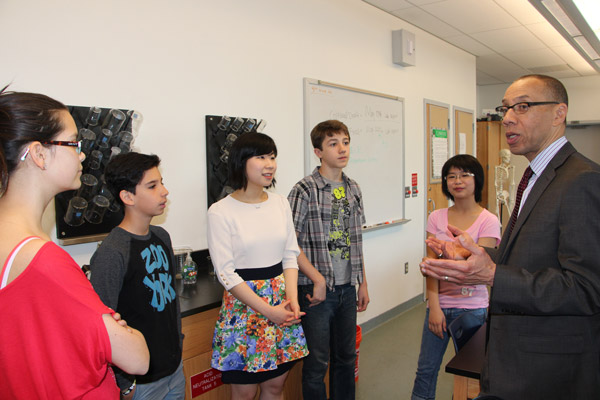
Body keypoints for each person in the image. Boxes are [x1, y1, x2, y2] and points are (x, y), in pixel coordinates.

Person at [421, 74, 600, 399]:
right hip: (513, 357)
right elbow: (530, 257)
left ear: (559, 113)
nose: (507, 118)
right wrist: (478, 255)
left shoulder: (582, 180)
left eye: (523, 106)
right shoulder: (535, 176)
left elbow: (586, 288)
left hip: (548, 365)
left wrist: (491, 274)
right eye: (505, 109)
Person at [0, 87, 149, 399]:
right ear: (39, 154)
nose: (82, 154)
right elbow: (137, 358)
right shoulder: (43, 260)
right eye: (73, 143)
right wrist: (118, 331)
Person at [207, 132, 308, 400]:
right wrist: (268, 311)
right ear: (241, 162)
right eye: (261, 157)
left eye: (272, 157)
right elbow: (226, 273)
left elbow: (290, 255)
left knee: (275, 387)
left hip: (281, 301)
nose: (270, 164)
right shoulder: (220, 211)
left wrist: (292, 301)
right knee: (244, 392)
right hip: (244, 308)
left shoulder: (280, 203)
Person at [89, 152, 184, 400]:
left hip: (174, 369)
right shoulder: (112, 252)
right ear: (127, 196)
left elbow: (170, 300)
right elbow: (103, 326)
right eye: (152, 186)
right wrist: (125, 383)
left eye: (161, 182)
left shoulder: (162, 237)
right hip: (140, 383)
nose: (164, 191)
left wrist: (179, 345)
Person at [288, 119, 370, 400]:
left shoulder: (353, 189)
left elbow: (356, 242)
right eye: (333, 143)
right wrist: (317, 279)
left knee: (346, 358)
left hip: (348, 288)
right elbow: (289, 244)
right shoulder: (304, 190)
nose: (342, 149)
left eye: (345, 142)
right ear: (318, 151)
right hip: (316, 292)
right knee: (316, 363)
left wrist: (363, 283)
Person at [411, 154, 500, 400]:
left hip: (473, 310)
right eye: (451, 176)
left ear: (476, 180)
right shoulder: (436, 217)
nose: (457, 181)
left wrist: (450, 254)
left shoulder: (489, 220)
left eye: (464, 175)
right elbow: (430, 268)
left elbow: (478, 269)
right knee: (425, 371)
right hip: (439, 306)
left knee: (473, 376)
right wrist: (435, 307)